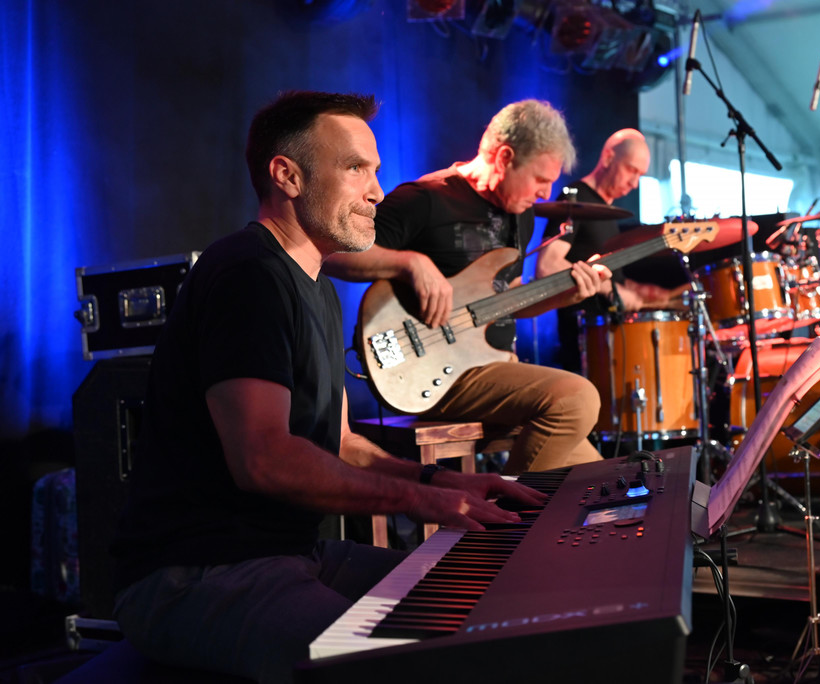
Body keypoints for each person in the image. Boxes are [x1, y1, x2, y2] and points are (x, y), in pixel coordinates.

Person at [109, 91, 546, 683]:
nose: (377, 192)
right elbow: (263, 459)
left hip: (290, 553)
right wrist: (422, 503)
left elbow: (339, 442)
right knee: (400, 667)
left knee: (484, 601)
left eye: (376, 171)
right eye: (356, 168)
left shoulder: (315, 284)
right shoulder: (247, 274)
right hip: (196, 571)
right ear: (287, 176)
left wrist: (443, 482)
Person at [324, 99, 610, 475]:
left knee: (602, 481)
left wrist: (565, 294)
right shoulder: (425, 198)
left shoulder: (520, 213)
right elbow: (334, 254)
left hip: (495, 365)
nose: (545, 193)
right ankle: (504, 509)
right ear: (505, 157)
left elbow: (508, 299)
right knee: (578, 397)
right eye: (541, 179)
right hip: (437, 369)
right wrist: (410, 263)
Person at [535, 128, 672, 373]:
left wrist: (641, 292)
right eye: (631, 170)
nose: (634, 183)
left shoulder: (607, 213)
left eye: (640, 175)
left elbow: (608, 274)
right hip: (585, 340)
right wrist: (612, 290)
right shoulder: (575, 199)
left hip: (610, 335)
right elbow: (547, 266)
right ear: (608, 158)